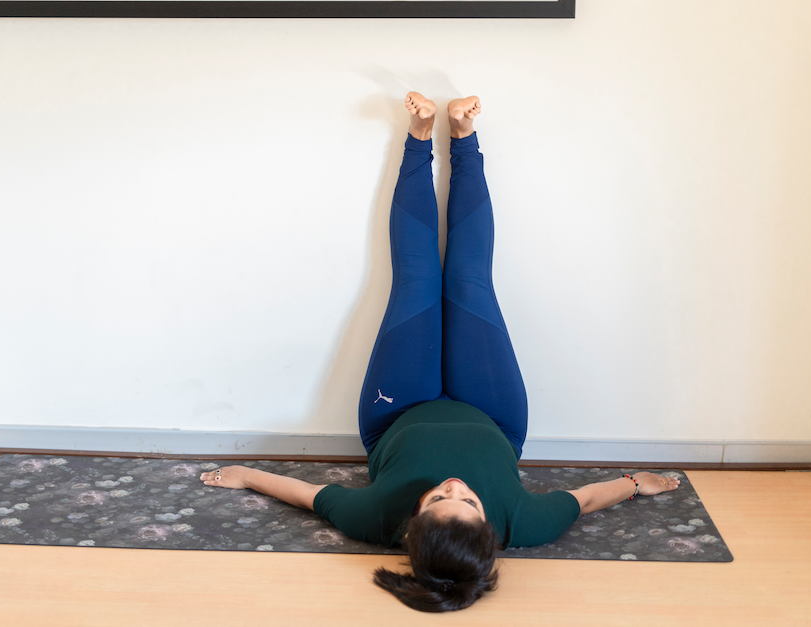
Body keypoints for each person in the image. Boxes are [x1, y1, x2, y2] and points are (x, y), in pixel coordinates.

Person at [199, 93, 681, 612]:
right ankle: (465, 139)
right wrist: (635, 484)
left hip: (396, 413)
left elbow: (305, 494)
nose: (453, 486)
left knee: (417, 280)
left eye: (437, 499)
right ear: (489, 524)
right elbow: (586, 499)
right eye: (469, 500)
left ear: (412, 523)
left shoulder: (373, 519)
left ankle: (420, 135)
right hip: (494, 415)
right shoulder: (526, 524)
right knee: (470, 281)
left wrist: (247, 476)